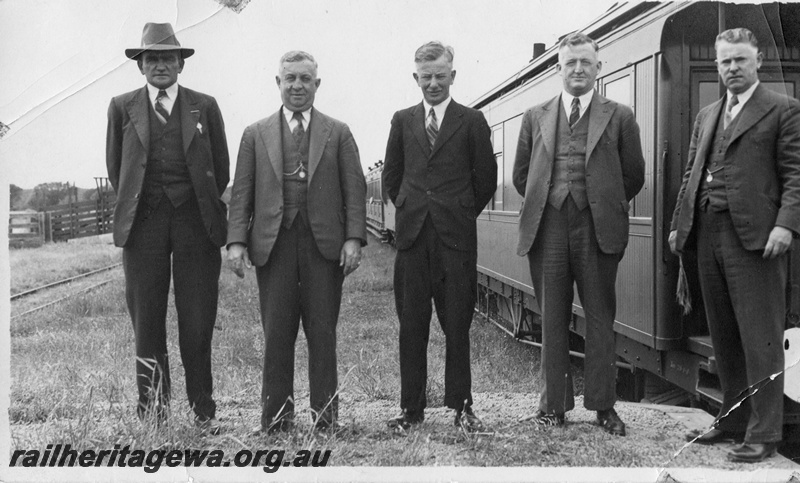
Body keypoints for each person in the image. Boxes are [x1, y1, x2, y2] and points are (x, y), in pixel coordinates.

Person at [670, 28, 800, 463]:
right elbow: (690, 174)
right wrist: (679, 225)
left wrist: (786, 225)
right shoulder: (707, 114)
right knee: (724, 334)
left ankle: (765, 433)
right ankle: (732, 421)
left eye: (740, 60)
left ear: (759, 60)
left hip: (758, 241)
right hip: (708, 234)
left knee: (761, 337)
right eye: (725, 62)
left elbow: (797, 177)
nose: (732, 69)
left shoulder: (784, 110)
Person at [226, 51, 366, 433]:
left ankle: (326, 420)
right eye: (290, 79)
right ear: (278, 83)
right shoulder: (255, 134)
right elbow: (242, 192)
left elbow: (355, 190)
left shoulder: (338, 132)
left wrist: (354, 238)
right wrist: (236, 241)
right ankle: (275, 422)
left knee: (323, 334)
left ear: (317, 84)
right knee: (277, 335)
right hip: (274, 246)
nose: (298, 86)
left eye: (305, 79)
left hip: (325, 248)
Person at [512, 32, 645, 436]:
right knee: (552, 316)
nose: (578, 69)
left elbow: (633, 176)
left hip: (597, 228)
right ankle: (553, 407)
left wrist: (599, 201)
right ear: (559, 68)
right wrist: (551, 199)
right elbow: (522, 176)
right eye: (570, 63)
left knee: (601, 317)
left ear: (598, 68)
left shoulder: (619, 115)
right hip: (548, 226)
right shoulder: (535, 115)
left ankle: (604, 408)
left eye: (586, 62)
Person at [106, 22, 229, 434]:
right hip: (144, 226)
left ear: (181, 64)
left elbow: (221, 169)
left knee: (196, 319)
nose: (160, 65)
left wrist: (194, 201)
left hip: (195, 223)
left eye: (168, 58)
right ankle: (154, 412)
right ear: (141, 66)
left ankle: (202, 408)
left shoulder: (205, 106)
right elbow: (116, 167)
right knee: (147, 320)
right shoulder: (122, 106)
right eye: (152, 59)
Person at [382, 41, 497, 432]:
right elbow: (390, 177)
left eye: (440, 76)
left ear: (453, 75)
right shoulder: (402, 120)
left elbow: (486, 180)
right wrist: (408, 205)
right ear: (416, 77)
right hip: (413, 241)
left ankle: (462, 407)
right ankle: (410, 410)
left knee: (457, 326)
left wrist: (459, 212)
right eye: (426, 77)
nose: (433, 83)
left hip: (455, 242)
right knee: (411, 325)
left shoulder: (472, 121)